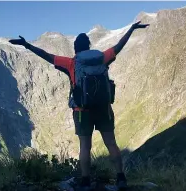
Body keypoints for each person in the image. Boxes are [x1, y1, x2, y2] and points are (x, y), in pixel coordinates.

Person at [9, 21, 149, 190]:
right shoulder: (102, 58)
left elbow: (46, 55)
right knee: (111, 143)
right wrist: (132, 29)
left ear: (75, 49)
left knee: (85, 146)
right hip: (104, 108)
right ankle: (120, 178)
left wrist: (27, 45)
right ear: (89, 47)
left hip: (82, 111)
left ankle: (85, 181)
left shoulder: (71, 63)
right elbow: (119, 46)